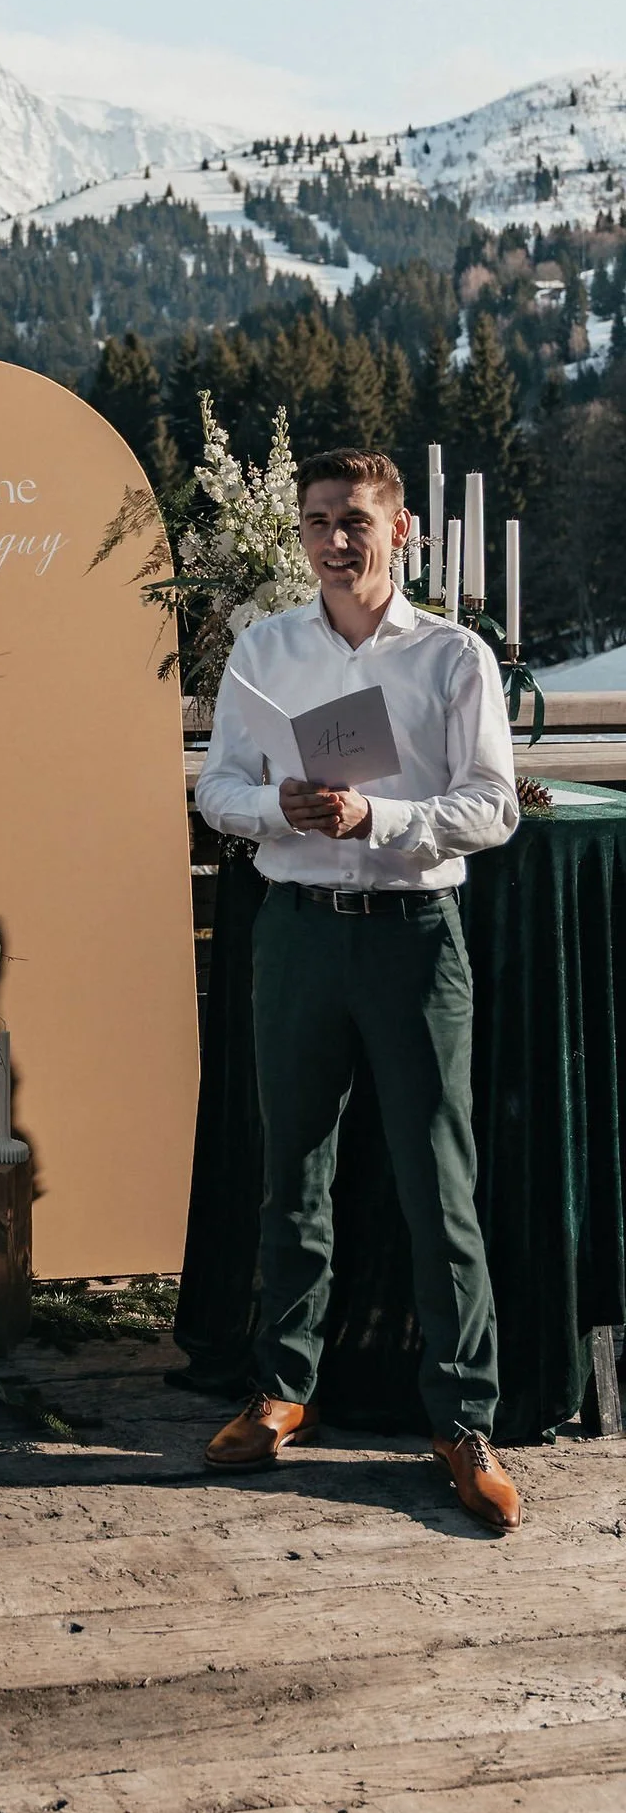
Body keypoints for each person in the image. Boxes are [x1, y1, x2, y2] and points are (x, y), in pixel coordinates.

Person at [195, 448, 522, 1530]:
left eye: (355, 521)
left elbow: (489, 807)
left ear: (402, 532)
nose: (335, 539)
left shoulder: (451, 655)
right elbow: (215, 788)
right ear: (299, 533)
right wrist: (271, 808)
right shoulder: (264, 648)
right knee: (291, 1171)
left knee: (438, 1183)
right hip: (293, 932)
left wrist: (374, 819)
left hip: (410, 936)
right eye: (318, 520)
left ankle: (461, 1421)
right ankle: (283, 1390)